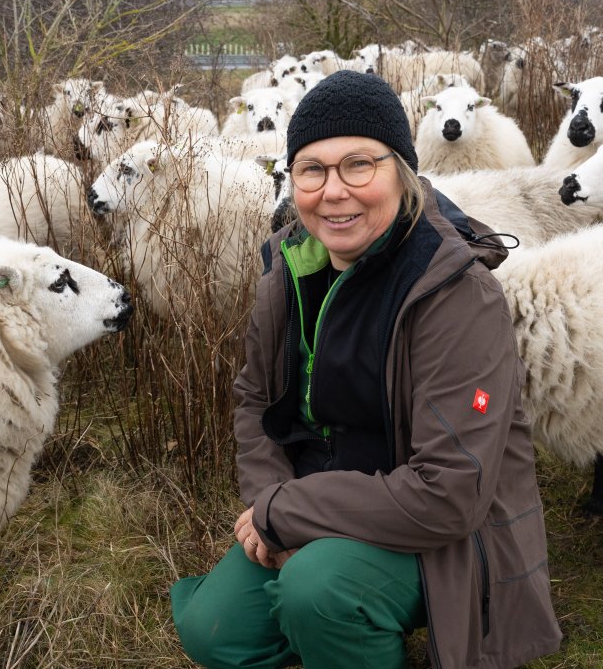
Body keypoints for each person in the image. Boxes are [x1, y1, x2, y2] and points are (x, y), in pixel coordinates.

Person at [169, 70, 562, 668]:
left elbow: (451, 493)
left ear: (401, 170)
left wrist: (286, 515)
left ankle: (346, 619)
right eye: (312, 169)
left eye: (359, 164)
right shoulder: (289, 267)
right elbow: (254, 398)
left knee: (318, 590)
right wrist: (268, 502)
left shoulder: (454, 293)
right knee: (213, 630)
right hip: (316, 497)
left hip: (438, 530)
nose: (333, 191)